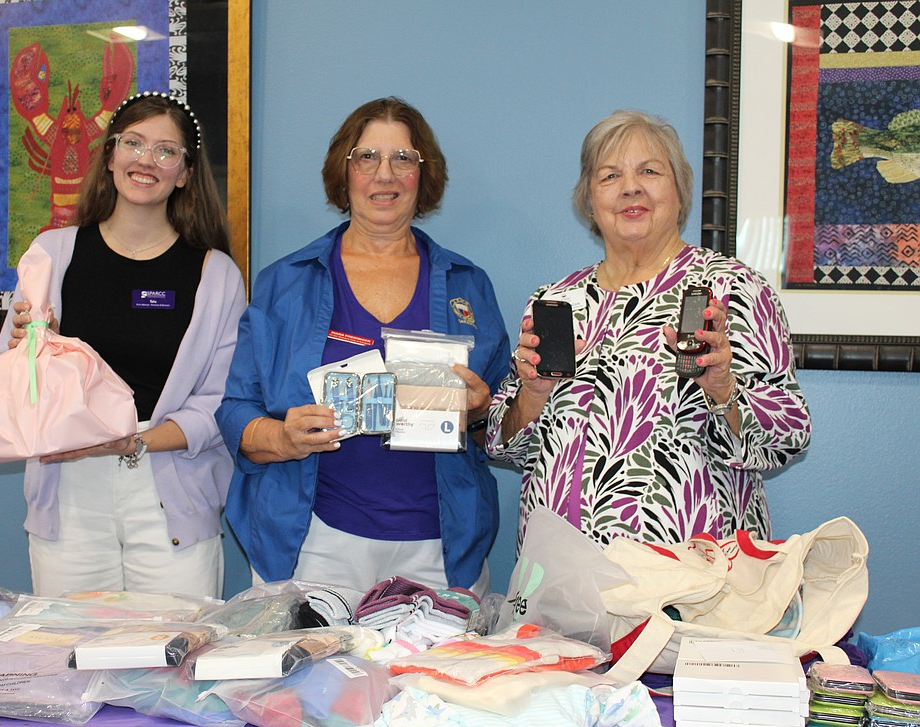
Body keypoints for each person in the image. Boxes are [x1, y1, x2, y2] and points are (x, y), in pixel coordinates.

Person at [216, 97, 510, 595]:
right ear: (343, 170)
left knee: (436, 675)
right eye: (367, 157)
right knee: (310, 674)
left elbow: (505, 423)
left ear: (424, 174)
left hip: (442, 550)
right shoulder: (286, 283)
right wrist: (282, 438)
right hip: (313, 544)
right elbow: (234, 412)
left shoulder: (468, 284)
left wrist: (481, 412)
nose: (385, 175)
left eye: (404, 159)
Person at [487, 109, 810, 551]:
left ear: (680, 190)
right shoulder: (557, 300)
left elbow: (789, 433)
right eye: (610, 176)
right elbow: (504, 446)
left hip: (694, 579)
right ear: (589, 201)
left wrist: (723, 390)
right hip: (564, 579)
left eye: (650, 171)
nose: (630, 187)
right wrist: (533, 395)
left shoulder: (732, 289)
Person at [0, 91, 246, 598]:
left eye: (166, 150)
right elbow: (11, 375)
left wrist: (132, 443)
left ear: (185, 173)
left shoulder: (215, 274)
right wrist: (23, 353)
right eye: (133, 143)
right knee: (70, 651)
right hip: (69, 487)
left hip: (168, 485)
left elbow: (221, 402)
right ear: (109, 156)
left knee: (173, 657)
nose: (146, 160)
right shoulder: (51, 254)